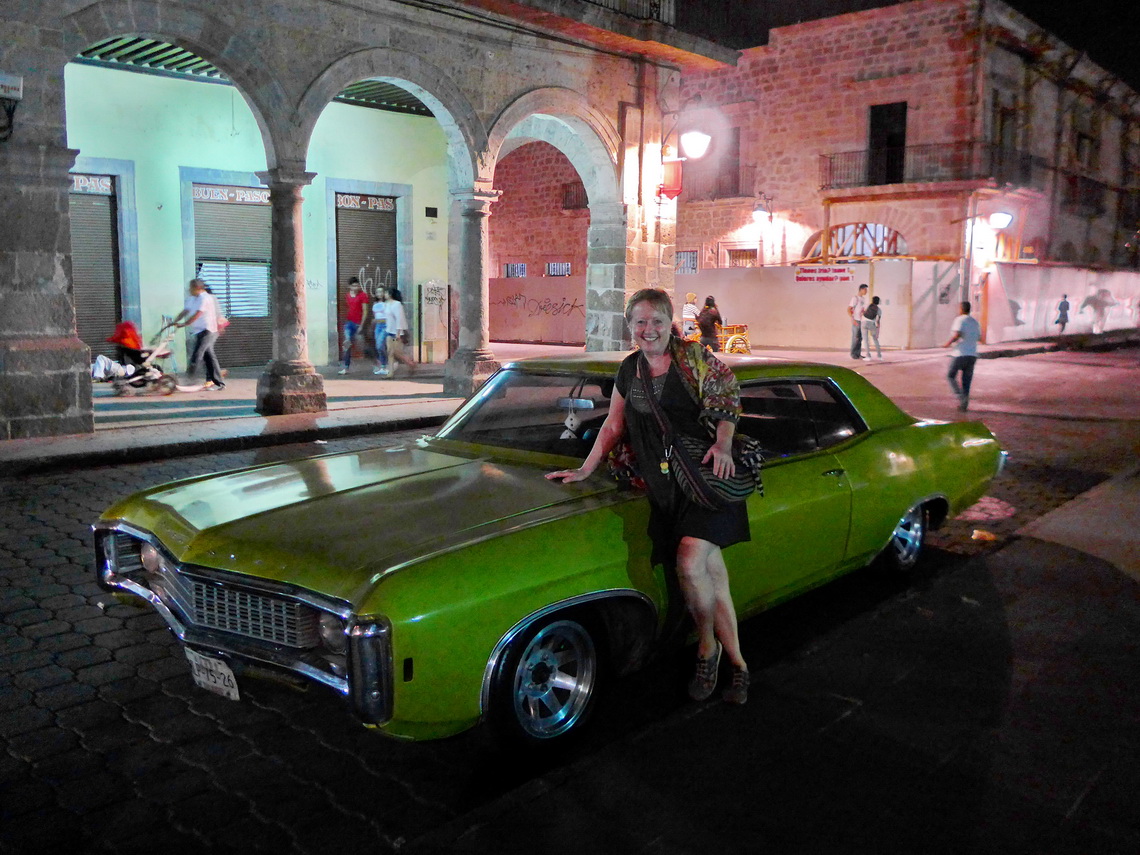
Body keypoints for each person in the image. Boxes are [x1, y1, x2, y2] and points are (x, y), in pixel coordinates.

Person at [546, 288, 751, 705]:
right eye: (639, 322)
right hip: (665, 486)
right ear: (630, 327)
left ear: (669, 321)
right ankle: (741, 666)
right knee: (714, 579)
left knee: (690, 559)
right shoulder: (629, 370)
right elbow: (612, 425)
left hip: (708, 479)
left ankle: (706, 650)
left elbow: (726, 395)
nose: (648, 329)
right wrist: (586, 468)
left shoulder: (693, 359)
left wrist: (725, 443)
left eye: (656, 320)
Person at [172, 278, 225, 390]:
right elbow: (185, 311)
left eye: (191, 287)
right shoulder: (192, 299)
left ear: (197, 288)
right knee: (209, 356)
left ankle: (190, 379)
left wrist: (184, 324)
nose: (189, 290)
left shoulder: (205, 298)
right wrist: (175, 321)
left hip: (208, 330)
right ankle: (218, 382)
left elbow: (197, 314)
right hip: (198, 331)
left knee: (198, 354)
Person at [943, 300, 982, 411]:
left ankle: (961, 397)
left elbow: (957, 334)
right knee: (966, 380)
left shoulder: (959, 320)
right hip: (972, 355)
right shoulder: (975, 322)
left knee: (950, 375)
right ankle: (964, 404)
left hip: (960, 354)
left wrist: (948, 343)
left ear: (961, 309)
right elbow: (979, 337)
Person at [338, 276, 371, 375]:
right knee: (347, 344)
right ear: (350, 287)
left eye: (357, 285)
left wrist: (361, 325)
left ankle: (377, 362)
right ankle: (346, 367)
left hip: (358, 324)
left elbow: (365, 311)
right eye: (354, 286)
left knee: (362, 346)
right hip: (349, 323)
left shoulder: (363, 295)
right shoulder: (347, 295)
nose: (356, 287)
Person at [381, 287, 417, 377]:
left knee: (397, 352)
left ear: (390, 294)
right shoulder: (386, 304)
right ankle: (391, 372)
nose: (384, 295)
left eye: (386, 293)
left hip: (396, 332)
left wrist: (398, 332)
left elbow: (399, 319)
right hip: (389, 331)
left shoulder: (397, 305)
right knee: (390, 352)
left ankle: (410, 363)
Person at [371, 287, 389, 375]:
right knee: (378, 346)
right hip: (378, 325)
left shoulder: (387, 303)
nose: (379, 294)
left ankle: (386, 364)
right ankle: (383, 366)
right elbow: (375, 315)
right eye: (377, 292)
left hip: (385, 325)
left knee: (380, 345)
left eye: (381, 292)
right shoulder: (375, 303)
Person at [848, 284, 868, 360]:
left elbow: (862, 309)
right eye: (865, 289)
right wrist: (852, 319)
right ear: (861, 289)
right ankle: (853, 354)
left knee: (860, 338)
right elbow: (849, 309)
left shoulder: (863, 299)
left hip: (862, 320)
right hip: (856, 320)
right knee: (855, 337)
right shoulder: (855, 298)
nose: (866, 291)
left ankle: (858, 354)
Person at [861, 295, 883, 360]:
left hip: (864, 323)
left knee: (866, 340)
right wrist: (877, 331)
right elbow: (878, 321)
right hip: (872, 324)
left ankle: (868, 356)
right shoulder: (879, 310)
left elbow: (863, 312)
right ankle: (879, 356)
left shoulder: (869, 305)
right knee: (875, 340)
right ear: (878, 302)